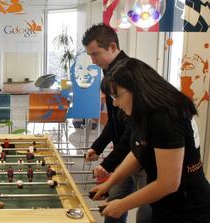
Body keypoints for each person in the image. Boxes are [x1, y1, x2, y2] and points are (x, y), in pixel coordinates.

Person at [91, 58, 210, 222]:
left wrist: (123, 204)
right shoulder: (143, 112)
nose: (116, 103)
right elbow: (138, 152)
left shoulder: (165, 116)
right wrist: (109, 183)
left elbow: (168, 183)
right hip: (165, 205)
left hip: (188, 209)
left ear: (137, 88)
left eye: (117, 95)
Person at [82, 23, 151, 223]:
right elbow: (116, 121)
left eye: (96, 54)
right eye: (90, 56)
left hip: (144, 155)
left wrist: (109, 162)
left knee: (147, 214)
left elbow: (133, 128)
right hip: (127, 152)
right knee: (114, 206)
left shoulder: (130, 73)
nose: (94, 61)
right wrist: (99, 146)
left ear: (113, 47)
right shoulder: (110, 72)